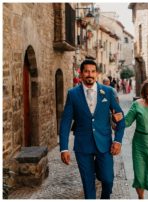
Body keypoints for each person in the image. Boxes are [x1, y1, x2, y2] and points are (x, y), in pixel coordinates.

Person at [59, 59, 125, 199]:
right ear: (81, 73)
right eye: (87, 71)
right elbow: (65, 122)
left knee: (107, 179)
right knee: (88, 185)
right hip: (83, 146)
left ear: (97, 73)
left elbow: (120, 118)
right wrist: (64, 148)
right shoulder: (73, 94)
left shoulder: (107, 92)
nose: (90, 74)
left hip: (105, 145)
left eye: (93, 71)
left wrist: (118, 140)